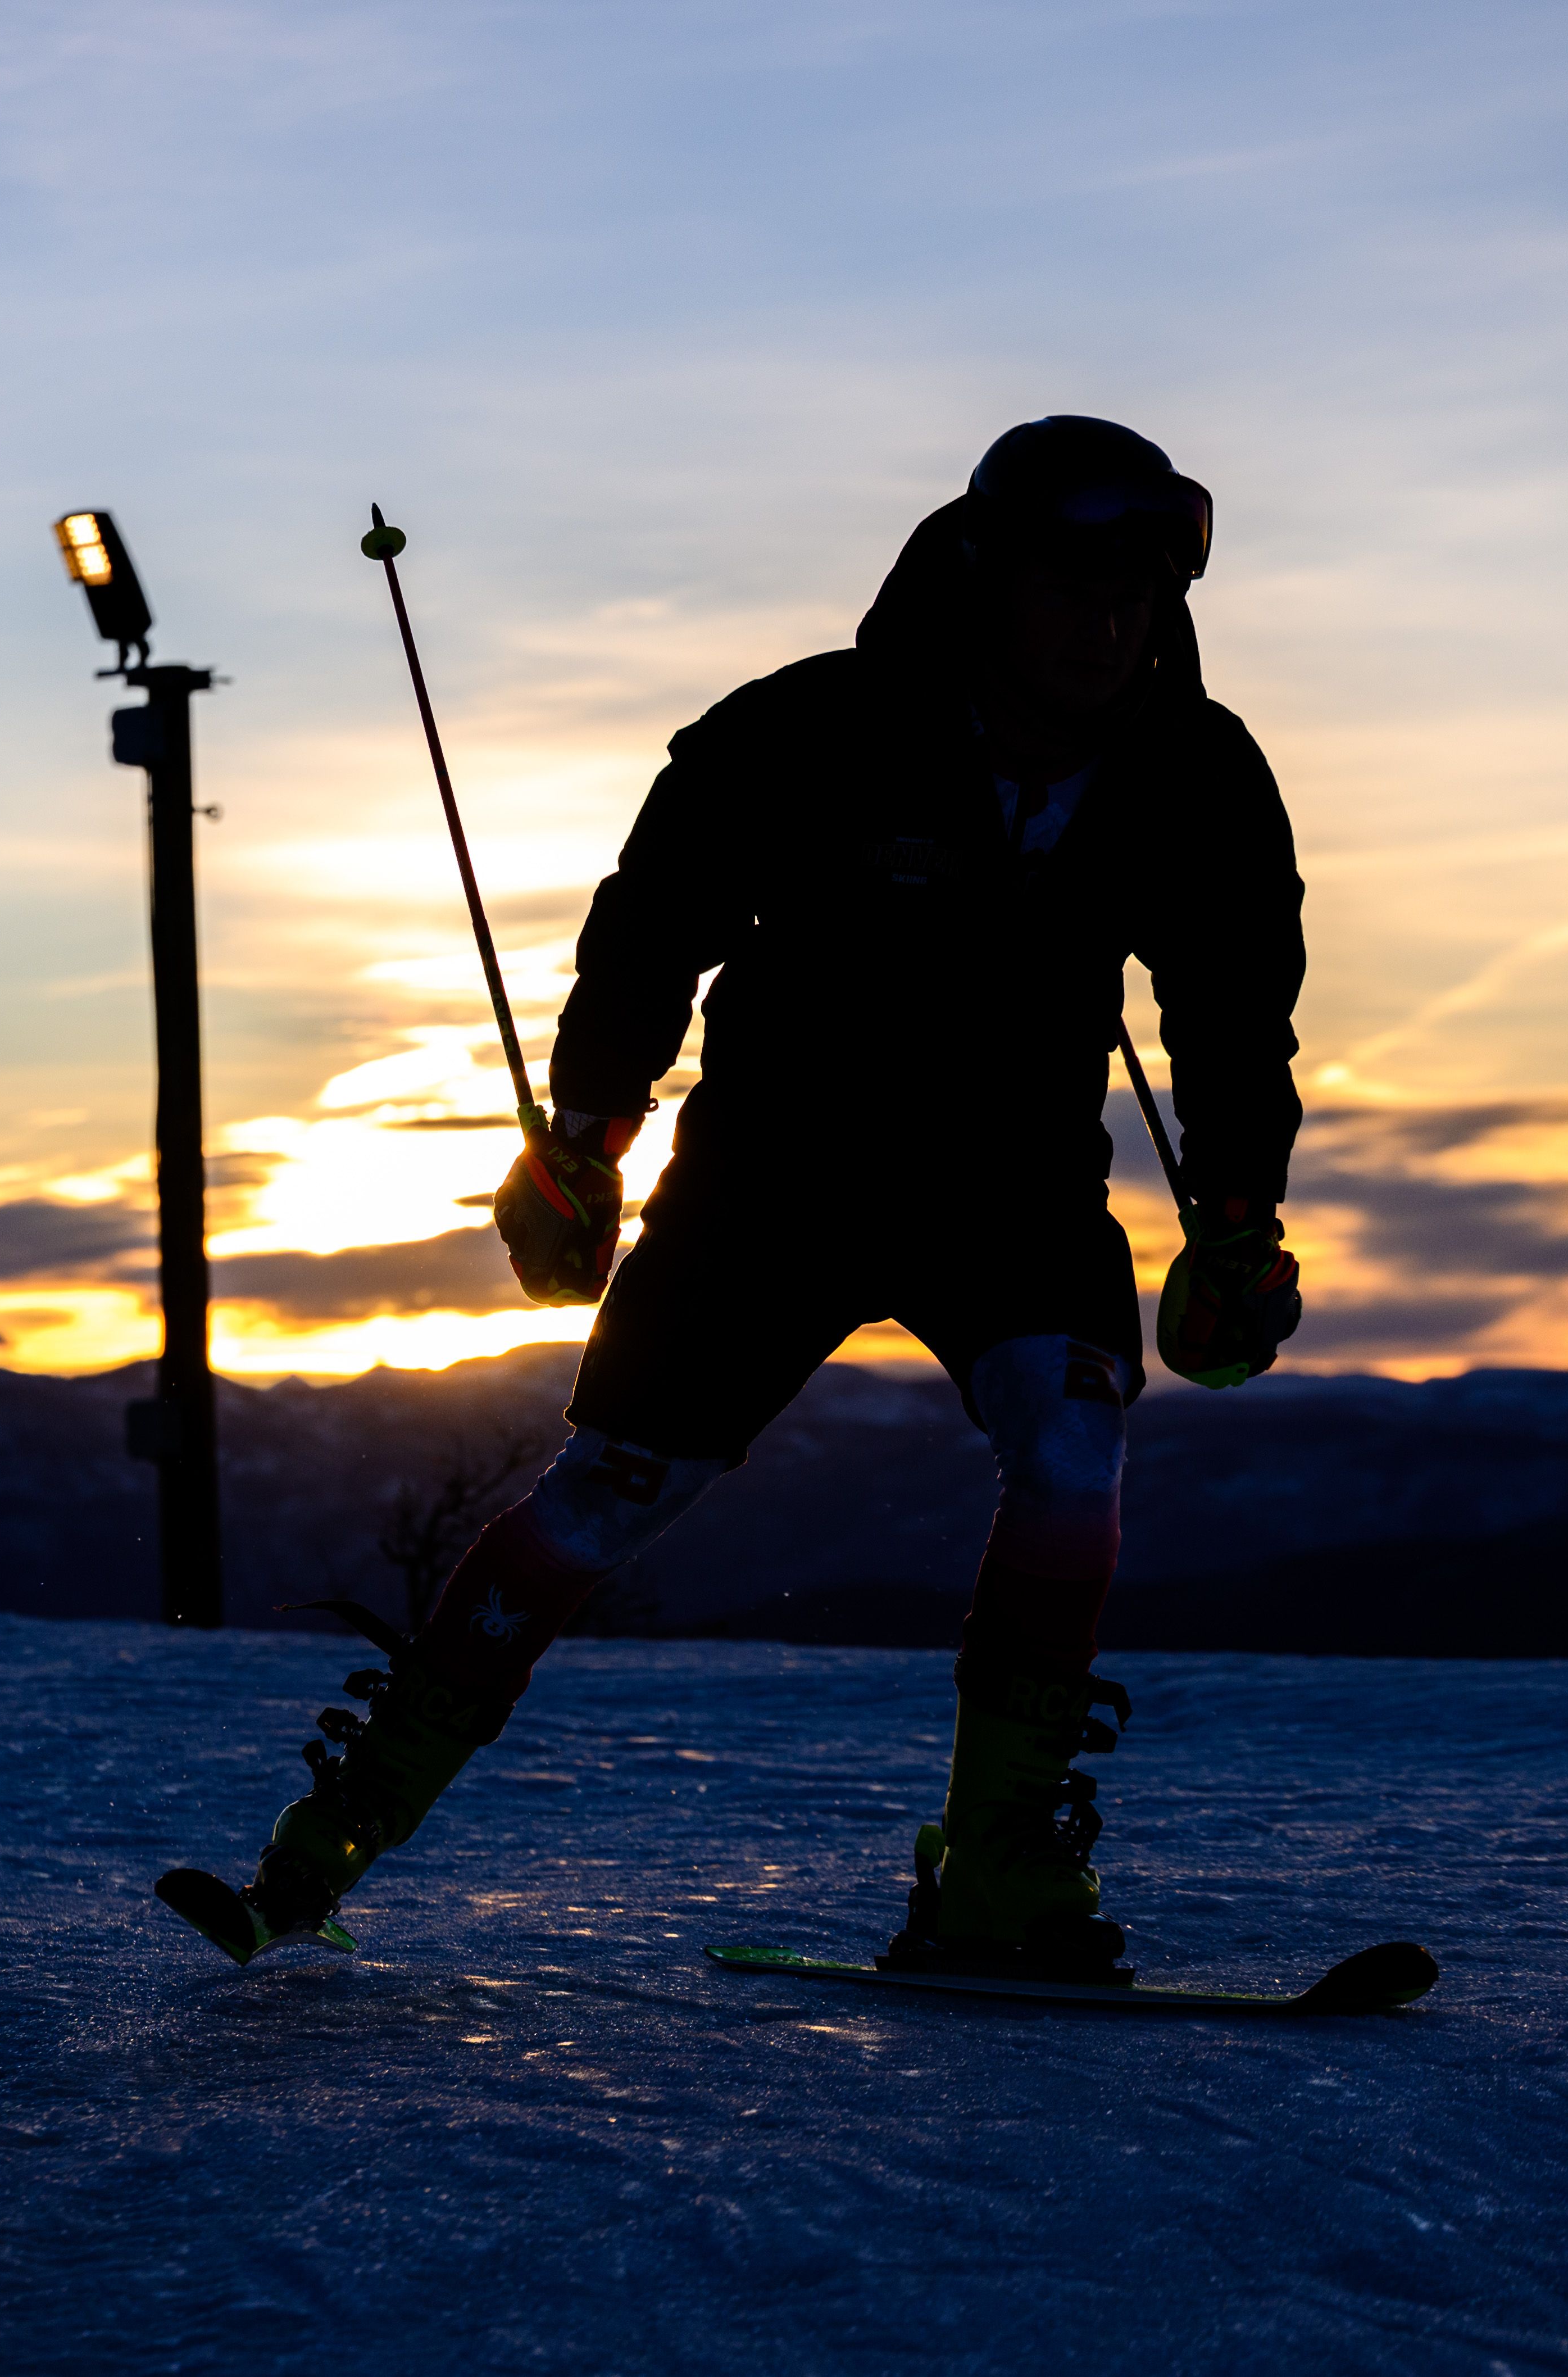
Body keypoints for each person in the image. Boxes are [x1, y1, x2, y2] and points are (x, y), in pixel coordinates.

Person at [160, 417, 1307, 1977]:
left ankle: (999, 1874)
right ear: (985, 577)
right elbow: (653, 927)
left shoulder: (1198, 776)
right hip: (776, 1174)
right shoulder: (808, 732)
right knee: (608, 1495)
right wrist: (586, 1136)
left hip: (1014, 1183)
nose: (1114, 622)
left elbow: (1234, 1008)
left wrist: (1239, 1214)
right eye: (1076, 581)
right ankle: (330, 1842)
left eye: (1145, 589)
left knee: (1074, 1447)